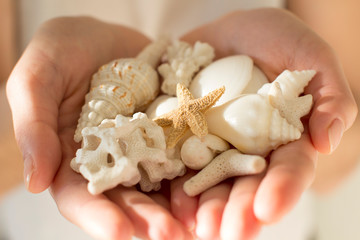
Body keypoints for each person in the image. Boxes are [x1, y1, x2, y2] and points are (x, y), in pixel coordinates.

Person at [6, 3, 358, 240]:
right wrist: (34, 136)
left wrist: (324, 126)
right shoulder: (184, 105)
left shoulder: (189, 107)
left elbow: (340, 159)